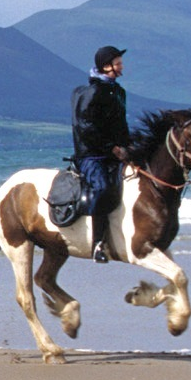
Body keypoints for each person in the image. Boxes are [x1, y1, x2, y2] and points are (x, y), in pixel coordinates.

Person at [71, 46, 130, 263]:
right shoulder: (92, 93)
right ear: (106, 66)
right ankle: (97, 244)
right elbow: (86, 127)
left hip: (114, 153)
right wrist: (111, 148)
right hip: (92, 155)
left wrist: (129, 148)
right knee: (102, 188)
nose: (121, 66)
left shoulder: (119, 92)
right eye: (118, 62)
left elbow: (121, 126)